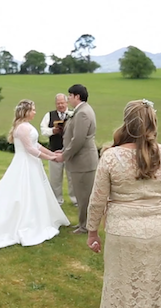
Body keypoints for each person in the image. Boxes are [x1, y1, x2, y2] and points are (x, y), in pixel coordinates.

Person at [86, 99, 161, 307]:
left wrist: (92, 231)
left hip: (124, 230)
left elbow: (97, 200)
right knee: (154, 285)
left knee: (120, 286)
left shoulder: (111, 156)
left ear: (126, 122)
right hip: (160, 229)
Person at [0, 99, 70, 251]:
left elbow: (37, 145)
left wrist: (52, 153)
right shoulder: (22, 128)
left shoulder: (27, 126)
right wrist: (50, 158)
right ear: (26, 112)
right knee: (24, 192)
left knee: (36, 192)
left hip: (32, 164)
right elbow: (30, 149)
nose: (35, 112)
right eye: (33, 110)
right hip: (24, 163)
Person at [54, 84, 98, 234]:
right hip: (80, 160)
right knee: (81, 194)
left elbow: (78, 139)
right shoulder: (81, 111)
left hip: (83, 161)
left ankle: (85, 226)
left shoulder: (82, 113)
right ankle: (82, 223)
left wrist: (64, 155)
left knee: (84, 195)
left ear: (77, 96)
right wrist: (65, 149)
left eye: (70, 96)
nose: (68, 99)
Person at [40, 93, 77, 206]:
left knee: (72, 177)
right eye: (58, 103)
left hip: (70, 151)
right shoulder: (49, 115)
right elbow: (43, 130)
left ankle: (75, 199)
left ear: (66, 103)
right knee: (55, 178)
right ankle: (57, 200)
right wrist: (53, 131)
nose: (60, 105)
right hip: (54, 151)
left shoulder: (73, 114)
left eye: (62, 103)